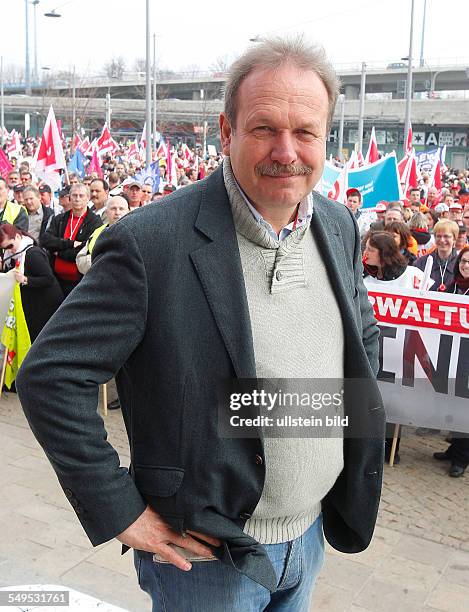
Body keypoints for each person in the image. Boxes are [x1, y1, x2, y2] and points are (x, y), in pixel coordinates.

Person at [17, 38, 385, 611]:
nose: (286, 151)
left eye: (306, 131)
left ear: (327, 136)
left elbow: (360, 340)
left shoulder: (337, 224)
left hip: (312, 537)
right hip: (207, 558)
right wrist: (121, 510)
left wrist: (312, 442)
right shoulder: (151, 242)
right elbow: (51, 375)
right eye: (264, 128)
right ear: (226, 130)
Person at [433, 246, 469, 477]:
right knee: (455, 406)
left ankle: (462, 458)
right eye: (464, 261)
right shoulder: (452, 285)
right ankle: (454, 448)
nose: (466, 265)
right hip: (452, 356)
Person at [0, 223, 63, 342]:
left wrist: (26, 279)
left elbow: (48, 278)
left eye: (10, 246)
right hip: (33, 303)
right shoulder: (13, 256)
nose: (9, 250)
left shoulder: (33, 254)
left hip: (45, 304)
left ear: (18, 237)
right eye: (5, 248)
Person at [40, 183, 103, 296]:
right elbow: (46, 240)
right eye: (74, 195)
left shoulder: (95, 222)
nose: (77, 199)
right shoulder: (59, 219)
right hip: (56, 279)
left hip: (80, 281)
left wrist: (58, 252)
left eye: (81, 195)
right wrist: (70, 243)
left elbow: (85, 249)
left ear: (88, 198)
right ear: (69, 198)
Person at [414, 219, 460, 291]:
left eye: (446, 236)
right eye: (438, 236)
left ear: (454, 239)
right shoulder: (421, 263)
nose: (442, 240)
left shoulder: (461, 265)